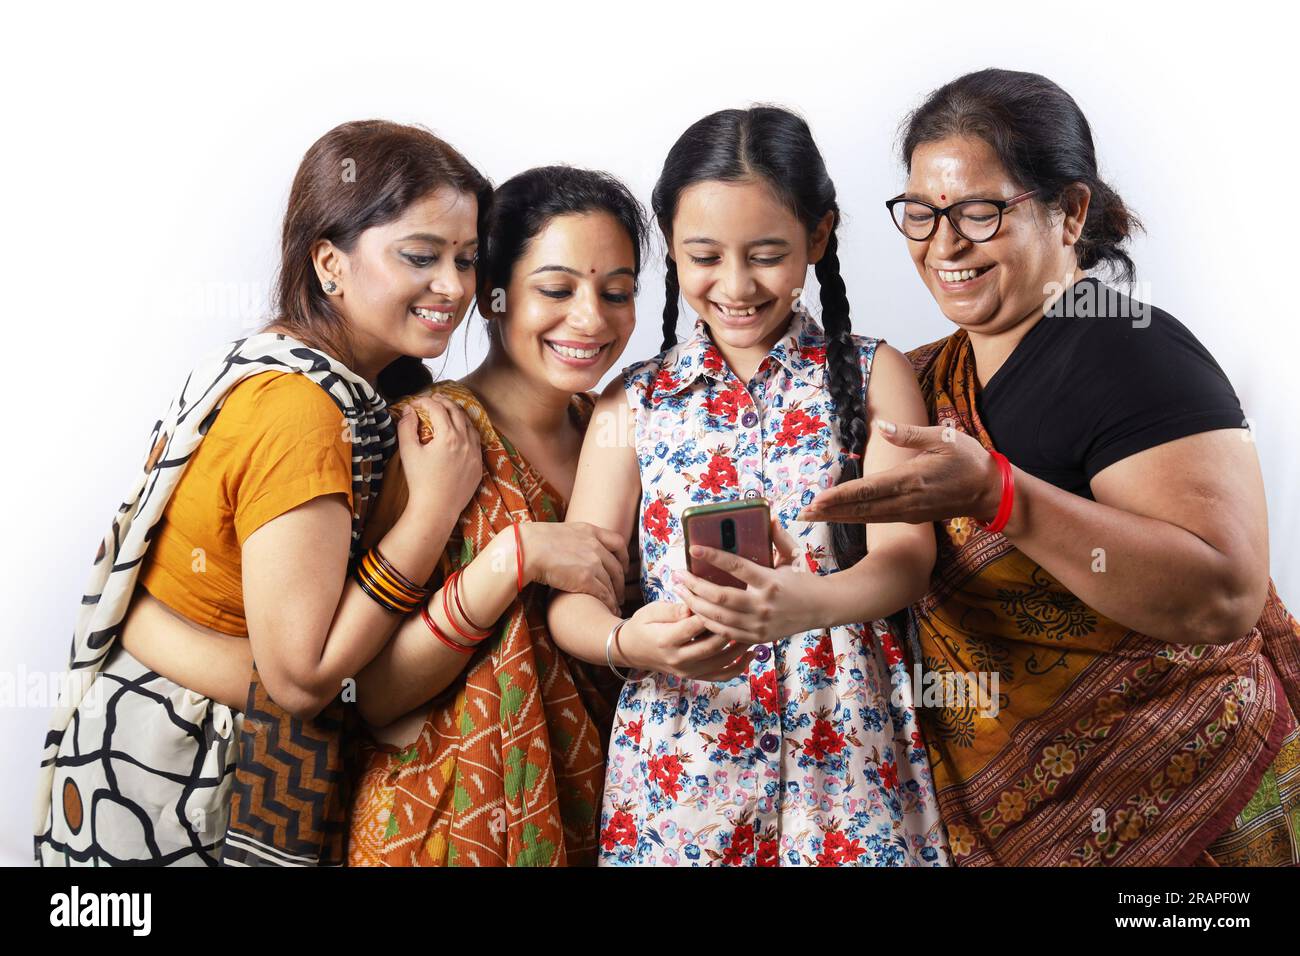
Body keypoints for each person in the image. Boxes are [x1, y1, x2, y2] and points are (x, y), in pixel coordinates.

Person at [801, 69, 1300, 865]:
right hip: (1030, 825)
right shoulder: (926, 378)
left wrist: (1002, 496)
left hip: (1205, 803)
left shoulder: (1132, 349)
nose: (944, 244)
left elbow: (1224, 595)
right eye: (922, 214)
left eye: (979, 211)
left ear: (1070, 212)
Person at [35, 120, 491, 866]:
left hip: (173, 746)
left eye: (467, 259)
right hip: (168, 777)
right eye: (422, 256)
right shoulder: (300, 412)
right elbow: (304, 677)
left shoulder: (332, 382)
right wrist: (436, 510)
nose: (455, 286)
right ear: (329, 262)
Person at [548, 106, 949, 866]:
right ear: (670, 244)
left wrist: (810, 604)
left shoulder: (873, 373)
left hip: (847, 741)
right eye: (704, 256)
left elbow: (908, 556)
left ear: (818, 238)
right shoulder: (630, 403)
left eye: (766, 254)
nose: (735, 285)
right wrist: (628, 640)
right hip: (681, 752)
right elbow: (575, 593)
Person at [346, 165, 648, 866]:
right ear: (493, 296)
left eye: (617, 292)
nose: (591, 318)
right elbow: (373, 694)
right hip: (443, 826)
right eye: (556, 289)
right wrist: (516, 558)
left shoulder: (625, 432)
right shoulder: (431, 438)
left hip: (603, 815)